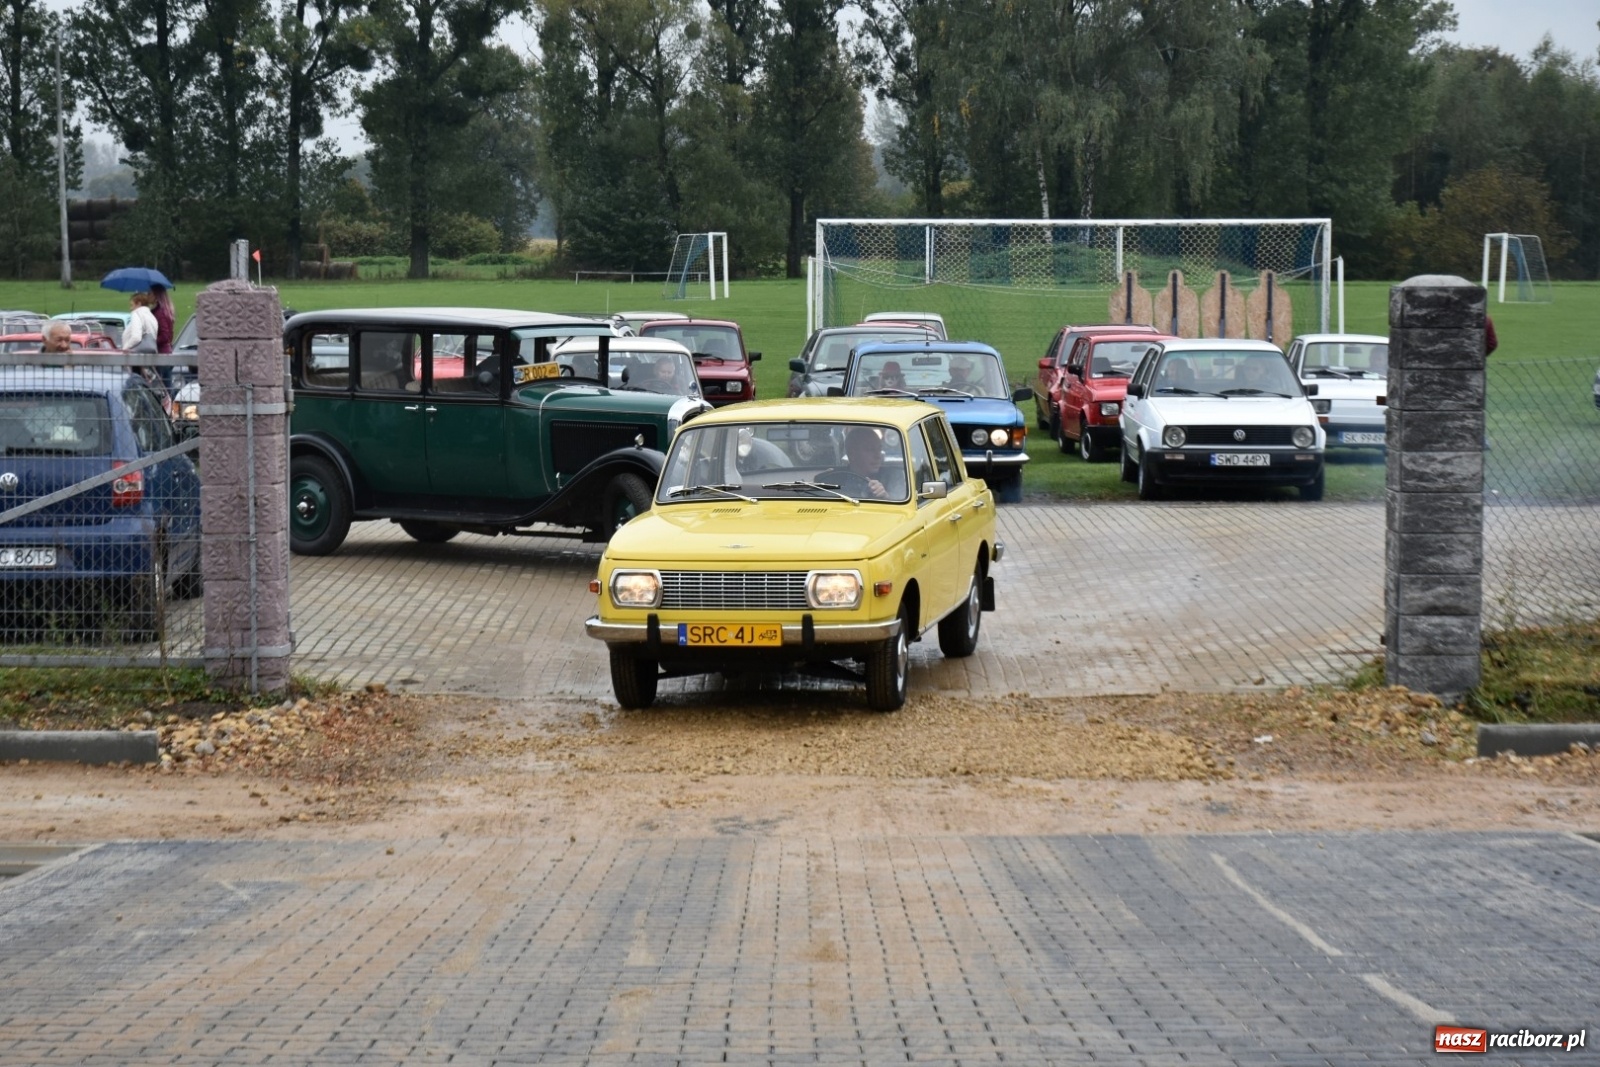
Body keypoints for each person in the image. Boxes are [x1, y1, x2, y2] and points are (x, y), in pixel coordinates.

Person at [819, 426, 893, 499]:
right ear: (852, 454)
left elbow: (897, 502)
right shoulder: (832, 480)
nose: (878, 456)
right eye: (870, 449)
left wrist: (885, 496)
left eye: (879, 449)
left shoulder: (891, 479)